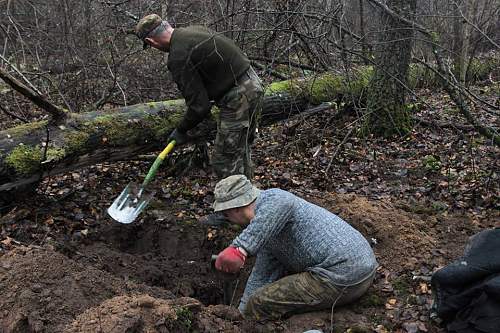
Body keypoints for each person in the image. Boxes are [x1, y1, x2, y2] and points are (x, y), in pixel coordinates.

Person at [212, 175, 378, 320]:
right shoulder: (269, 237)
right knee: (253, 301)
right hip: (361, 272)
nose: (229, 220)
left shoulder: (275, 199)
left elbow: (281, 205)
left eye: (226, 215)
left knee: (259, 303)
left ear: (234, 208)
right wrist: (241, 312)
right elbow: (261, 276)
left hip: (342, 277)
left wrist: (239, 249)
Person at [135, 14, 263, 179]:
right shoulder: (194, 30)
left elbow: (199, 106)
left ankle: (238, 203)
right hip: (253, 82)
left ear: (151, 42)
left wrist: (181, 130)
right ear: (167, 25)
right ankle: (251, 199)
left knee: (225, 160)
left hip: (239, 97)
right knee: (241, 150)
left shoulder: (178, 55)